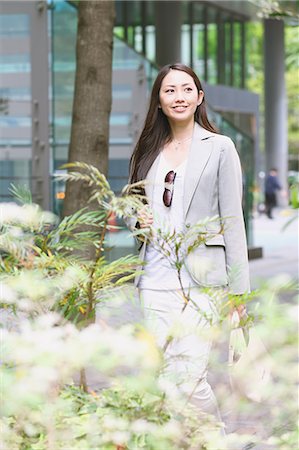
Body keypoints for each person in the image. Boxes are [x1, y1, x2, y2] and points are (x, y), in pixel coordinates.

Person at [127, 63, 250, 426]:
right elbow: (136, 212)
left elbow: (232, 222)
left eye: (185, 89)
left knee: (189, 377)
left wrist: (239, 293)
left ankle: (214, 439)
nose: (178, 97)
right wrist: (139, 221)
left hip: (204, 282)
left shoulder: (220, 148)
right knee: (166, 375)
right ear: (159, 101)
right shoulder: (147, 149)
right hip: (154, 279)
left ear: (199, 98)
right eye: (169, 90)